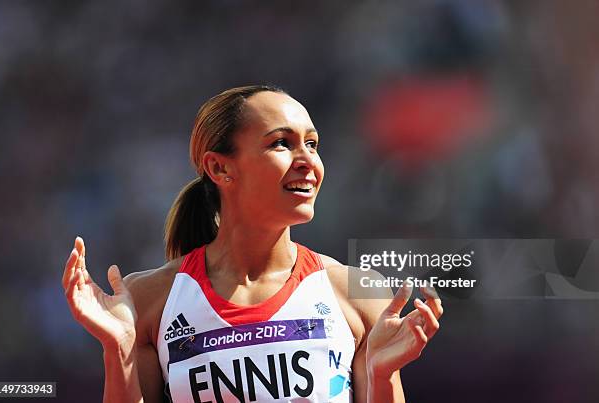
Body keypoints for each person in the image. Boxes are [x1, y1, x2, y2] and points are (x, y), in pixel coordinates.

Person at [62, 85, 443, 403]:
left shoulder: (356, 293)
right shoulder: (150, 300)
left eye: (312, 144)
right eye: (282, 143)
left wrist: (381, 375)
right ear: (220, 168)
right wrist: (118, 351)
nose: (308, 161)